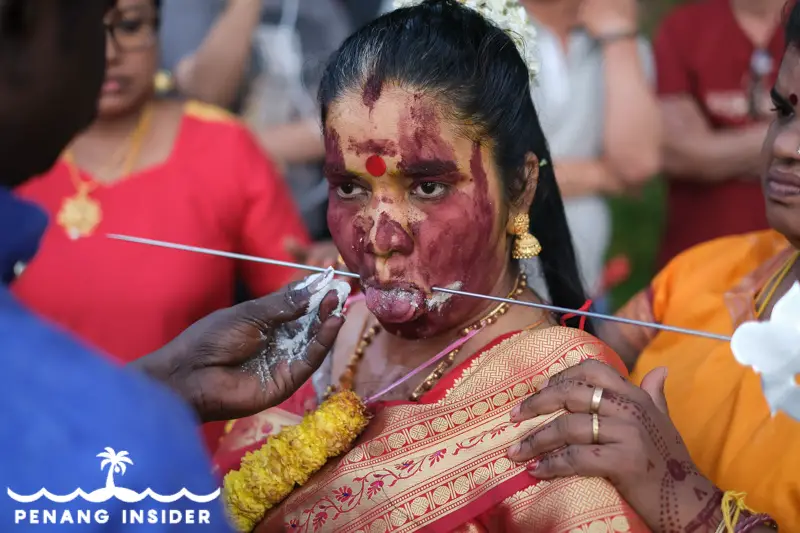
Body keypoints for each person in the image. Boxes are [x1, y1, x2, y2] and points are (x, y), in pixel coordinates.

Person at [215, 1, 650, 531]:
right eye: (349, 187)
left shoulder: (561, 407)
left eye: (427, 186)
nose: (379, 238)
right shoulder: (333, 328)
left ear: (520, 187)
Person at [0, 0, 344, 530]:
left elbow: (300, 303)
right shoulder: (142, 446)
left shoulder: (221, 147)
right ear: (31, 29)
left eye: (130, 26)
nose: (109, 52)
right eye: (91, 25)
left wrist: (166, 386)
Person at [509, 3, 800, 529]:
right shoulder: (709, 271)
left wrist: (671, 487)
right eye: (784, 110)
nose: (783, 145)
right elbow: (563, 374)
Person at [521, 0, 659, 305]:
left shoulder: (622, 42)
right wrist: (604, 174)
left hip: (587, 290)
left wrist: (618, 36)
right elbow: (480, 171)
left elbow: (638, 164)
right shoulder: (472, 22)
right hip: (486, 293)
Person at [653, 0, 785, 267]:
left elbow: (701, 153)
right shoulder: (684, 28)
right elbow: (681, 154)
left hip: (790, 262)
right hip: (698, 265)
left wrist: (720, 147)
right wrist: (786, 135)